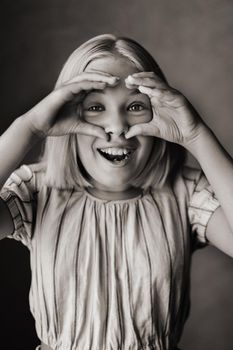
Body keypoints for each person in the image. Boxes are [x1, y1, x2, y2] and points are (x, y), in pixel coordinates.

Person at [0, 33, 232, 350]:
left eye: (135, 106)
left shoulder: (185, 192)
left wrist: (195, 136)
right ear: (63, 113)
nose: (116, 126)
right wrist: (29, 128)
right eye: (95, 106)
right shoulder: (36, 191)